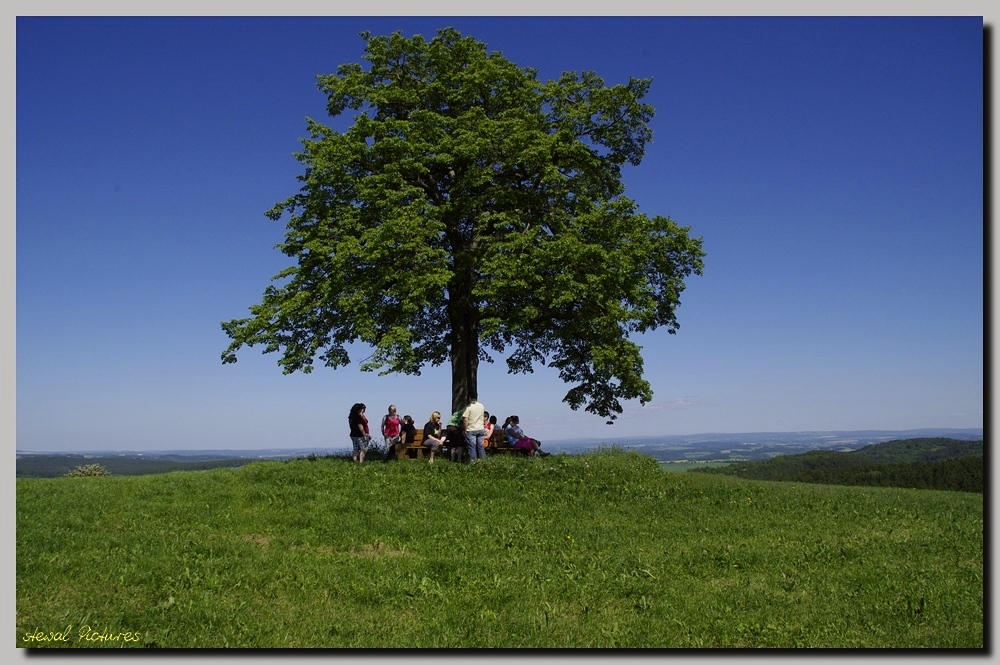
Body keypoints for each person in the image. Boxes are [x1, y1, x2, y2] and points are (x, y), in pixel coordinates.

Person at [463, 392, 487, 462]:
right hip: (480, 428)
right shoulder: (481, 406)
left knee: (472, 447)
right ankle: (483, 461)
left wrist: (465, 429)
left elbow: (465, 420)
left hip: (471, 429)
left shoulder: (468, 407)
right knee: (480, 446)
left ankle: (474, 462)